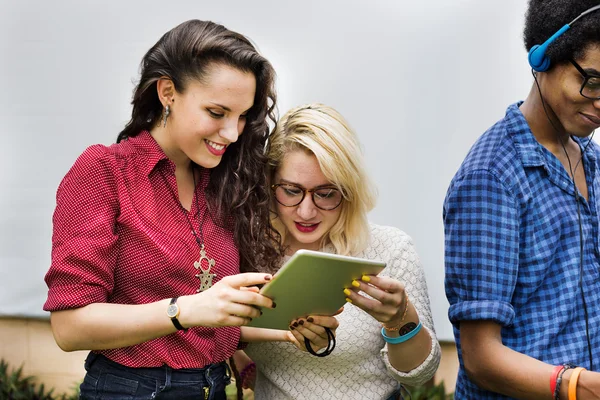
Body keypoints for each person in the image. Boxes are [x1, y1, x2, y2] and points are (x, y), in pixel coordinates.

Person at [43, 20, 335, 400]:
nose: (232, 133)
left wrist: (286, 328)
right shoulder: (104, 172)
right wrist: (185, 310)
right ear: (168, 92)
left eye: (243, 116)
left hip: (212, 386)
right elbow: (69, 327)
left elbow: (209, 317)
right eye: (217, 112)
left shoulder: (225, 183)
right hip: (131, 391)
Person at [444, 1, 600, 398]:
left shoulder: (590, 157)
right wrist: (578, 387)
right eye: (593, 82)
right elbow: (481, 358)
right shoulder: (491, 178)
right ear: (544, 55)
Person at [241, 104, 441, 400]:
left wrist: (400, 318)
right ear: (269, 183)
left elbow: (420, 374)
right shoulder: (248, 250)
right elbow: (214, 337)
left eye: (326, 193)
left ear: (348, 190)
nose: (306, 211)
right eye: (291, 191)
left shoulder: (390, 249)